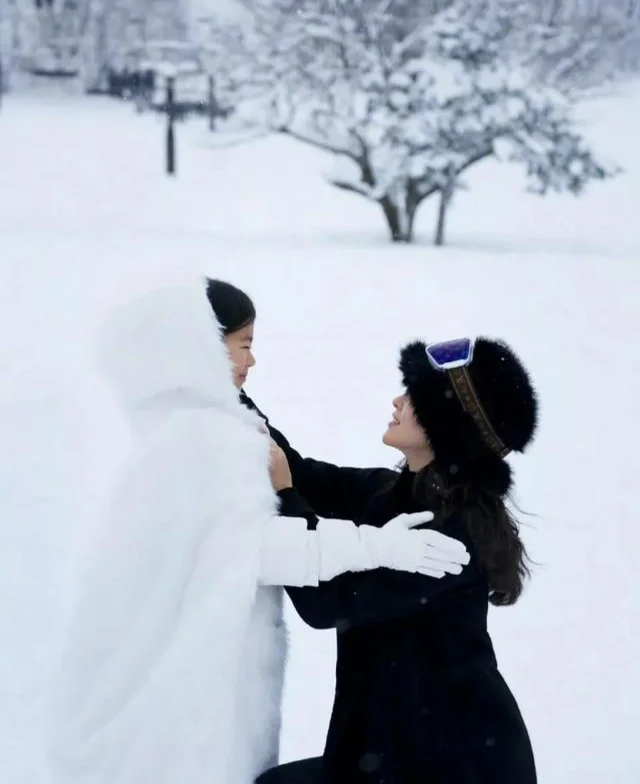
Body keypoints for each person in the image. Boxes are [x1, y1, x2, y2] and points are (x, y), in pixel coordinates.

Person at [46, 279, 469, 784]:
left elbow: (311, 546)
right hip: (380, 741)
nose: (253, 361)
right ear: (202, 350)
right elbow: (258, 546)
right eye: (244, 345)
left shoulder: (184, 428)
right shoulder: (209, 436)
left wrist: (263, 450)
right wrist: (376, 544)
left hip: (432, 756)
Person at [256, 335, 539, 784]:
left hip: (450, 765)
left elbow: (325, 602)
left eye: (415, 396)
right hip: (385, 756)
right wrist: (228, 392)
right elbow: (301, 472)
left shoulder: (450, 536)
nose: (397, 400)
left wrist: (287, 498)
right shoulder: (393, 495)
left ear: (450, 428)